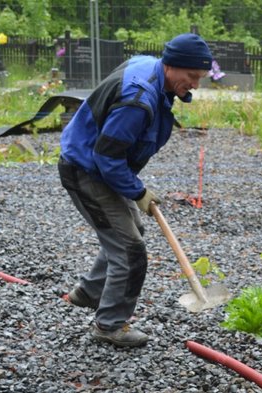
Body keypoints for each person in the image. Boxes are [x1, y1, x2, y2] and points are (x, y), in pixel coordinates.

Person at [58, 33, 213, 347]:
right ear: (170, 66)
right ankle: (109, 325)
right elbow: (106, 156)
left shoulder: (149, 67)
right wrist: (137, 191)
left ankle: (89, 292)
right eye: (191, 76)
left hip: (101, 166)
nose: (195, 84)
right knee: (130, 252)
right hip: (87, 170)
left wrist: (132, 187)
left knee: (130, 230)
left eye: (200, 78)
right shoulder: (139, 99)